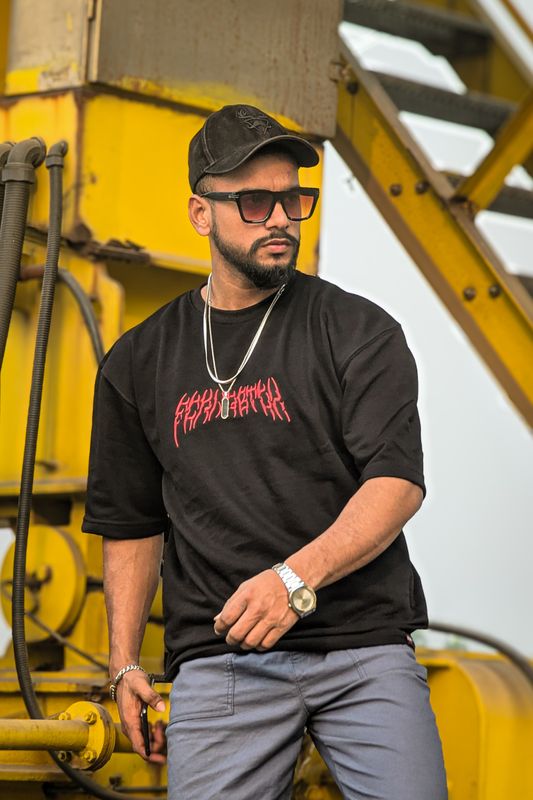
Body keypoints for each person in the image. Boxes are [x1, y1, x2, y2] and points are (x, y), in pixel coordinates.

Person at [82, 103, 448, 799]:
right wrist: (124, 662)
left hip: (361, 647)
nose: (280, 217)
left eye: (293, 199)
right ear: (200, 213)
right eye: (254, 201)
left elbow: (396, 483)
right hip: (223, 660)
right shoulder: (138, 361)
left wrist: (291, 581)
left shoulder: (358, 330)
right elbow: (130, 521)